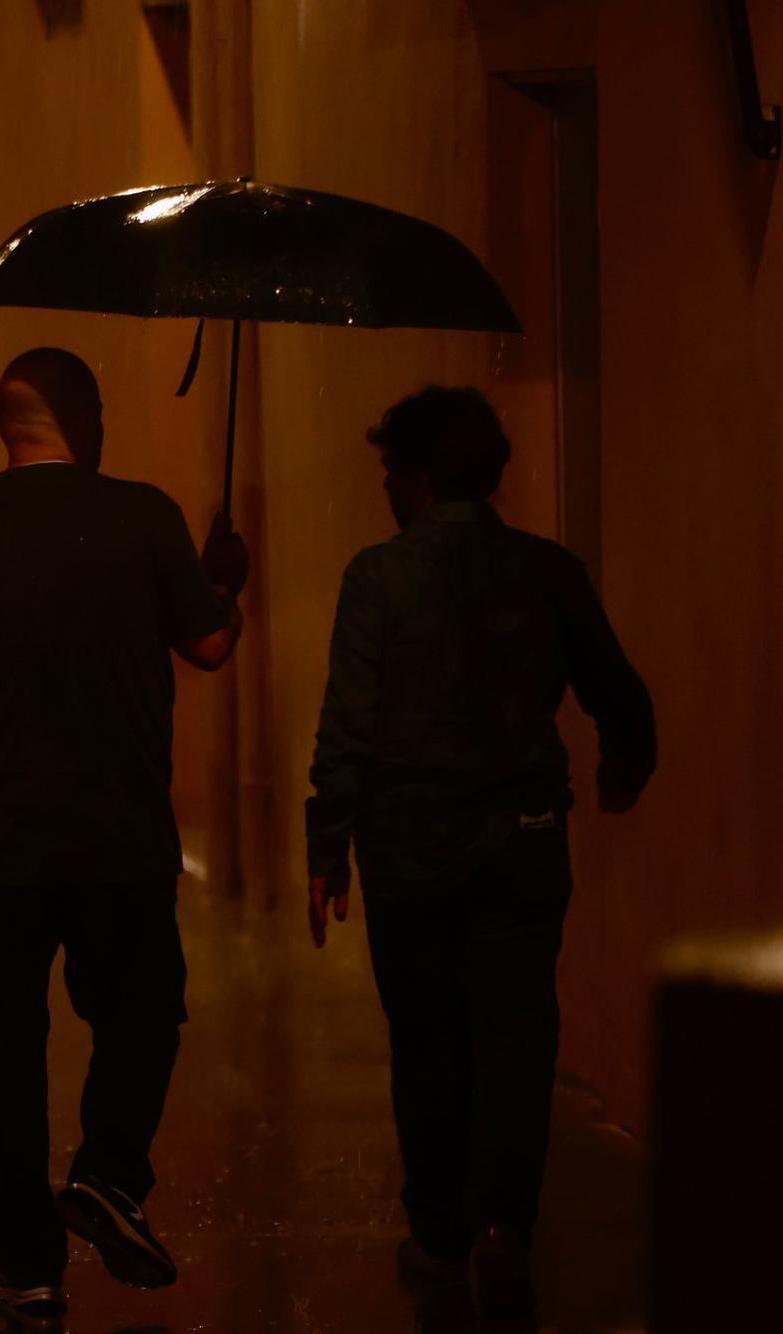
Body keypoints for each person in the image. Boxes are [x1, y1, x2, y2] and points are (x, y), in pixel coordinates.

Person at [0, 347, 248, 1326]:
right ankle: (108, 1174)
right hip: (118, 836)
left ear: (8, 424)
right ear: (88, 420)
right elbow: (206, 643)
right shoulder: (144, 517)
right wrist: (221, 581)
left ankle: (27, 1272)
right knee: (142, 1010)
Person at [304, 386, 655, 1330]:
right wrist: (626, 764)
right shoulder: (548, 571)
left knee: (425, 1038)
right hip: (521, 839)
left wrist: (326, 841)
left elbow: (350, 719)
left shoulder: (377, 579)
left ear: (414, 478)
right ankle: (502, 1227)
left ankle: (440, 1230)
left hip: (408, 844)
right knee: (515, 1035)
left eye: (389, 471)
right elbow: (617, 689)